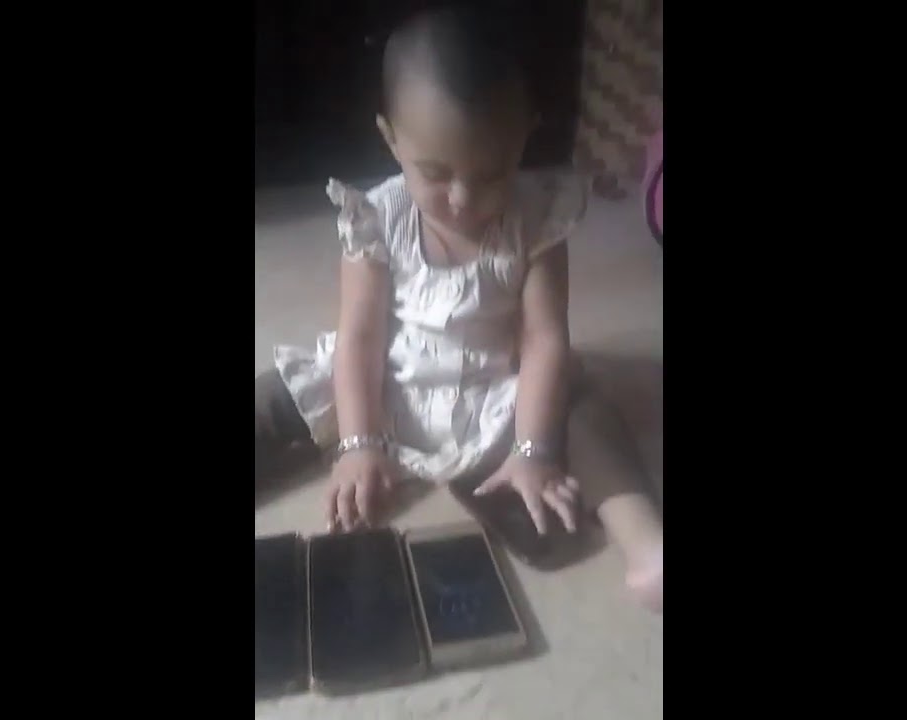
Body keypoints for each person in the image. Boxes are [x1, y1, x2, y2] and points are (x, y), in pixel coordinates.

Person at [255, 5, 663, 612]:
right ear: (391, 139)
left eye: (492, 173)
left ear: (527, 132)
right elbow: (360, 338)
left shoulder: (540, 219)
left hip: (493, 391)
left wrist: (533, 451)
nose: (464, 199)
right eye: (435, 173)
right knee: (278, 394)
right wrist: (360, 442)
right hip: (385, 378)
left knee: (584, 410)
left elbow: (546, 339)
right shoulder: (375, 219)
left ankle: (647, 545)